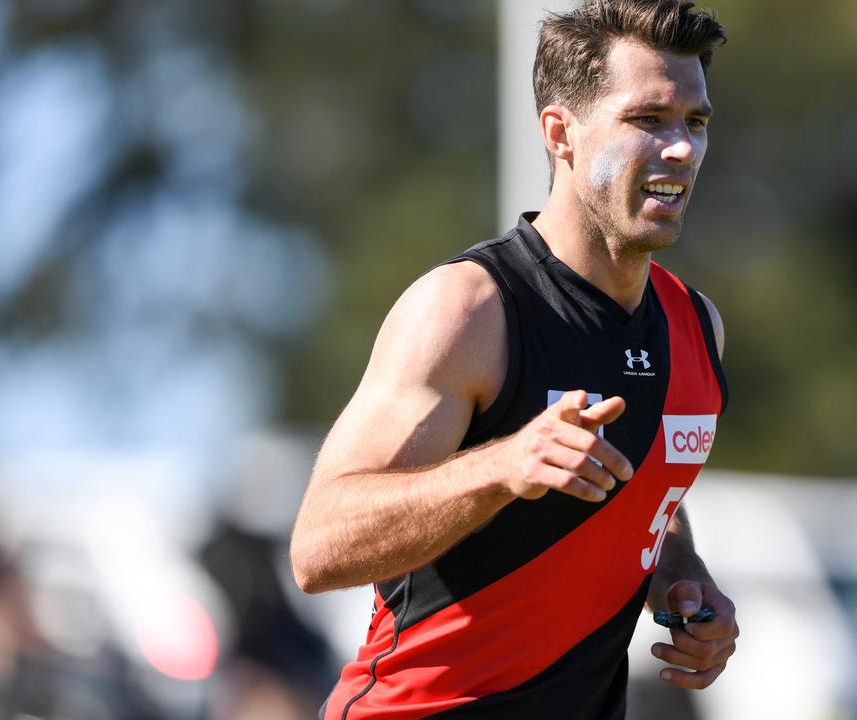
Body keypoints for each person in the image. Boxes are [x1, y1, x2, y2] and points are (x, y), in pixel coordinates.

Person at [291, 1, 737, 717]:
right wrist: (501, 466)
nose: (681, 148)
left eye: (696, 122)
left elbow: (654, 496)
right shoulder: (468, 313)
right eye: (648, 120)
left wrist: (683, 579)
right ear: (561, 133)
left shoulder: (696, 327)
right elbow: (318, 547)